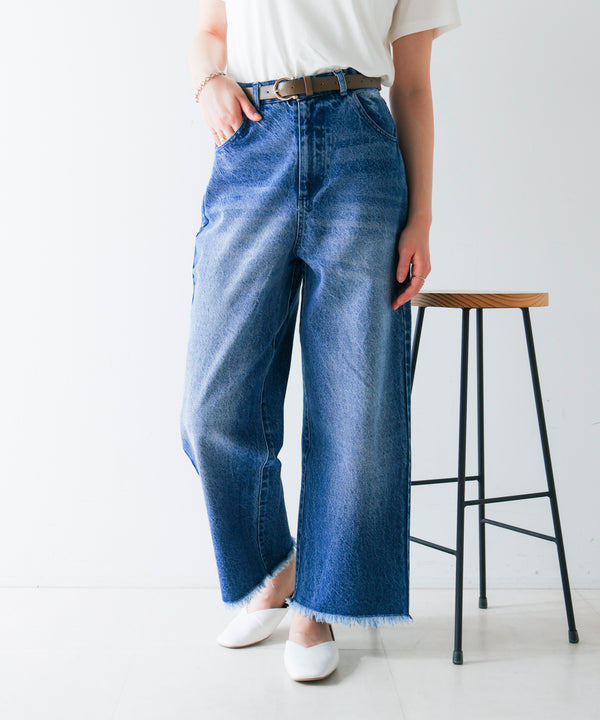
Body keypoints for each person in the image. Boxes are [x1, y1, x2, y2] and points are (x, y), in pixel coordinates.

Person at [180, 0, 461, 682]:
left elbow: (413, 86)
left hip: (360, 151)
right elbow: (210, 30)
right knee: (210, 412)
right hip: (253, 139)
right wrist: (207, 82)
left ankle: (317, 605)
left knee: (355, 412)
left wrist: (421, 219)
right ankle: (280, 567)